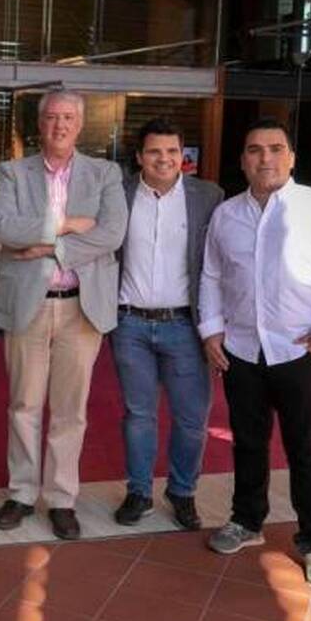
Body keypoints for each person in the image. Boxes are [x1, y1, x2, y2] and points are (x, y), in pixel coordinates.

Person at [199, 118, 311, 592]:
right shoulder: (227, 215)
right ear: (243, 160)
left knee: (306, 449)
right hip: (242, 352)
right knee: (248, 443)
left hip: (303, 351)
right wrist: (211, 331)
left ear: (291, 157)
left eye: (275, 149)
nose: (264, 158)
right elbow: (211, 277)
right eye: (254, 150)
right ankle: (246, 522)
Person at [0, 90, 128, 541]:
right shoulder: (12, 171)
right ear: (40, 122)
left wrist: (48, 244)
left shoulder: (105, 173)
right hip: (28, 304)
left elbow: (111, 233)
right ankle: (23, 493)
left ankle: (62, 498)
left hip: (80, 310)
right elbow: (4, 228)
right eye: (51, 117)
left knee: (71, 409)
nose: (59, 125)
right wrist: (69, 223)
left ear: (80, 124)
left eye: (68, 117)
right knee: (23, 404)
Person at [109, 118, 224, 530]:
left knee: (192, 419)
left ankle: (182, 491)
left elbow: (218, 263)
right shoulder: (118, 194)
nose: (165, 159)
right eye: (155, 151)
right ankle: (139, 492)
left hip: (185, 326)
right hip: (130, 325)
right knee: (139, 414)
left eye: (173, 151)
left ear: (183, 156)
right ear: (139, 157)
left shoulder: (208, 197)